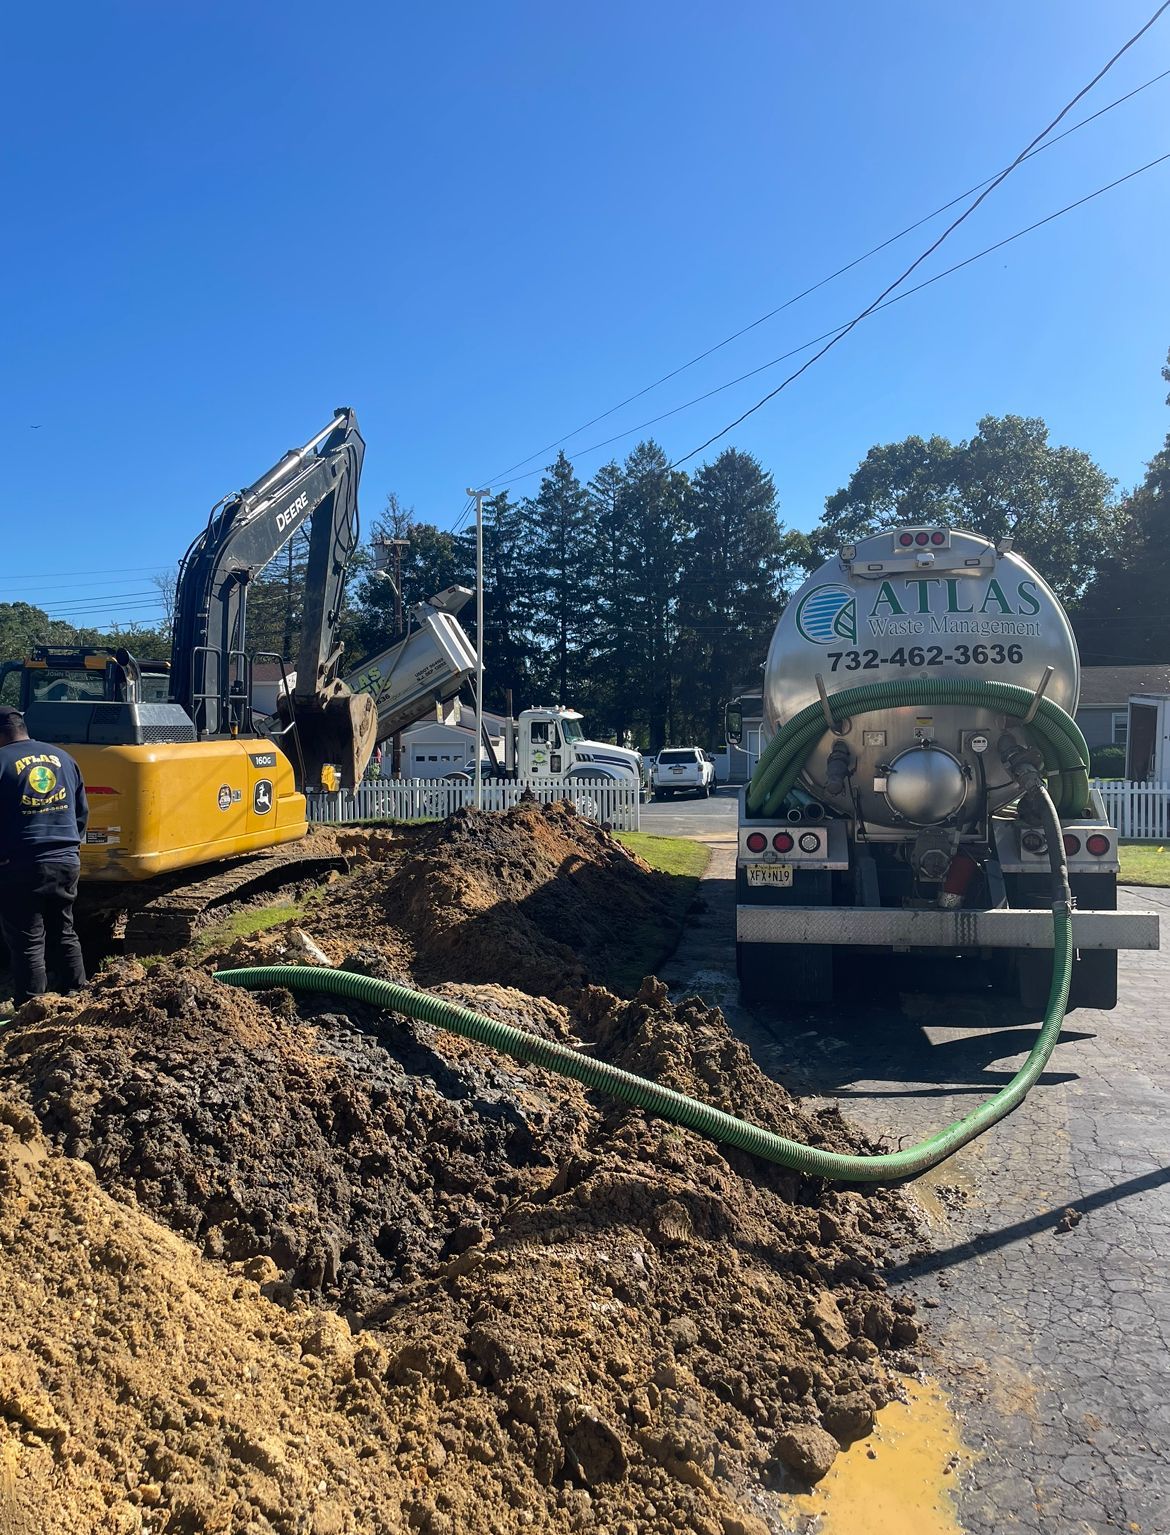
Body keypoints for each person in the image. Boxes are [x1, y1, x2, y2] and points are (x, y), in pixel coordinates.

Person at [0, 706, 88, 1006]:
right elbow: (81, 813)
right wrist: (70, 848)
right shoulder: (63, 757)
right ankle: (79, 998)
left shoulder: (2, 761)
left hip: (21, 863)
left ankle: (32, 1009)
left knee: (28, 939)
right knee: (64, 930)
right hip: (66, 859)